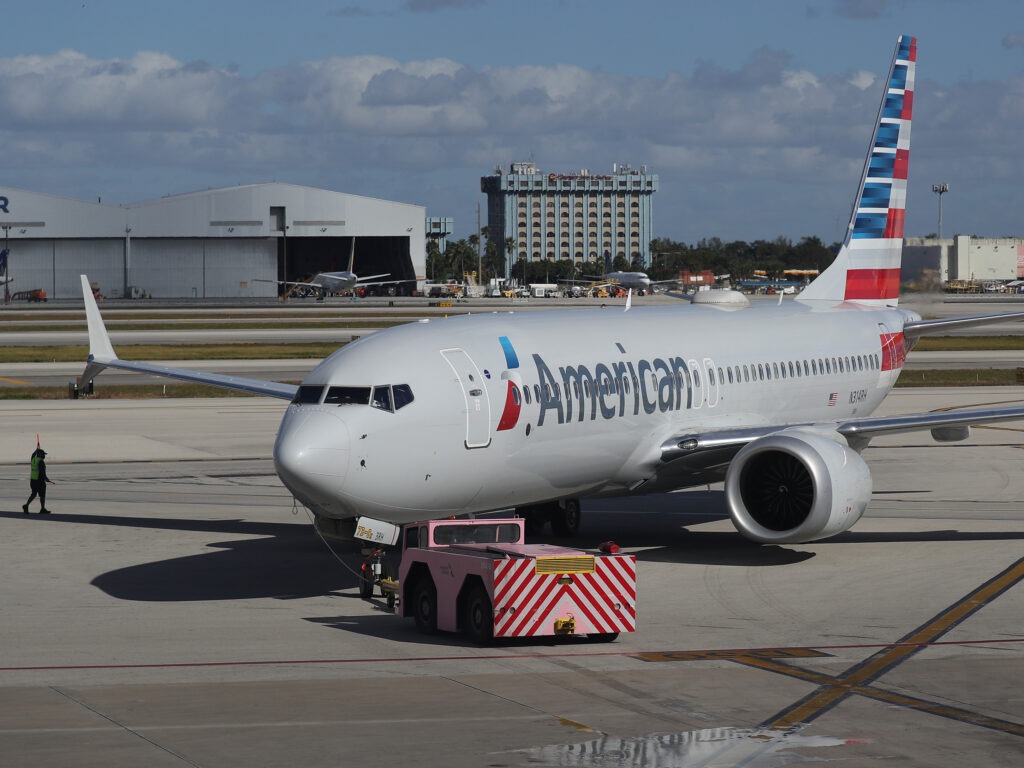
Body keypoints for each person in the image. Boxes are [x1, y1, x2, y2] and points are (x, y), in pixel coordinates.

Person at [23, 447, 54, 514]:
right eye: (43, 454)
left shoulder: (33, 459)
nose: (44, 456)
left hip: (33, 480)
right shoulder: (41, 462)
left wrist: (36, 450)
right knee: (42, 495)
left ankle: (26, 505)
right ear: (40, 455)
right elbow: (42, 472)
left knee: (34, 494)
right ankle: (42, 509)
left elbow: (33, 454)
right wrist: (46, 479)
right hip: (39, 481)